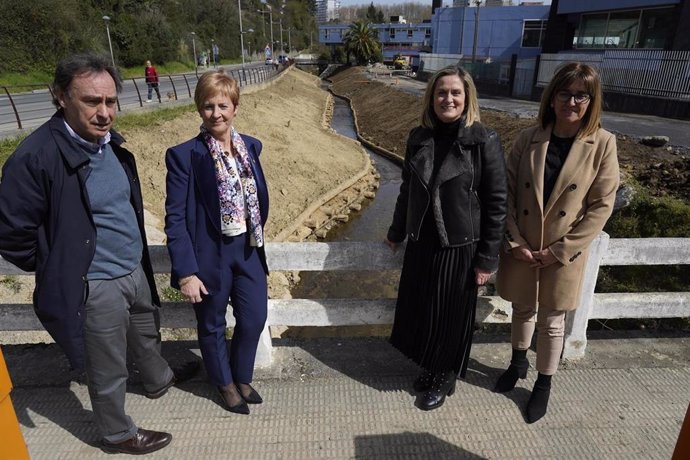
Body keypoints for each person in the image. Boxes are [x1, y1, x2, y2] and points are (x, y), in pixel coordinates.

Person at [0, 54, 197, 455]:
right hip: (94, 284)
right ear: (61, 97)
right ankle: (117, 433)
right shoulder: (35, 157)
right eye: (92, 101)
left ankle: (159, 379)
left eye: (110, 101)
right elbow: (11, 234)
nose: (104, 112)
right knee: (107, 365)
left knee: (146, 331)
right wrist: (63, 264)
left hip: (132, 267)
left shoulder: (110, 145)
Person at [494, 62, 620, 423]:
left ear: (591, 101)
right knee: (520, 308)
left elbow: (600, 206)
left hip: (563, 252)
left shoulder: (603, 144)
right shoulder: (527, 138)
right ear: (552, 98)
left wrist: (560, 251)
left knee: (552, 321)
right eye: (565, 93)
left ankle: (544, 384)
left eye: (582, 95)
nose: (572, 101)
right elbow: (504, 192)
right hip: (524, 245)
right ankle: (518, 363)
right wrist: (514, 240)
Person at [384, 65, 507, 411]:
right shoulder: (418, 138)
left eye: (455, 93)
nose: (447, 99)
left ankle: (446, 375)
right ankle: (431, 366)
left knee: (450, 315)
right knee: (423, 310)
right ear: (431, 98)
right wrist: (396, 231)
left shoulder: (483, 140)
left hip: (460, 245)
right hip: (423, 241)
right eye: (441, 93)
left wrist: (487, 259)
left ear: (467, 98)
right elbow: (407, 190)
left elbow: (497, 203)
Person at [164, 69, 269, 415]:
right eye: (208, 106)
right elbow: (175, 219)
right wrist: (186, 272)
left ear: (235, 107)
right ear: (199, 110)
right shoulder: (184, 156)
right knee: (212, 324)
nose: (216, 114)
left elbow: (256, 198)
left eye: (223, 105)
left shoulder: (250, 147)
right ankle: (224, 384)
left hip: (249, 249)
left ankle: (241, 375)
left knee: (253, 318)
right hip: (211, 255)